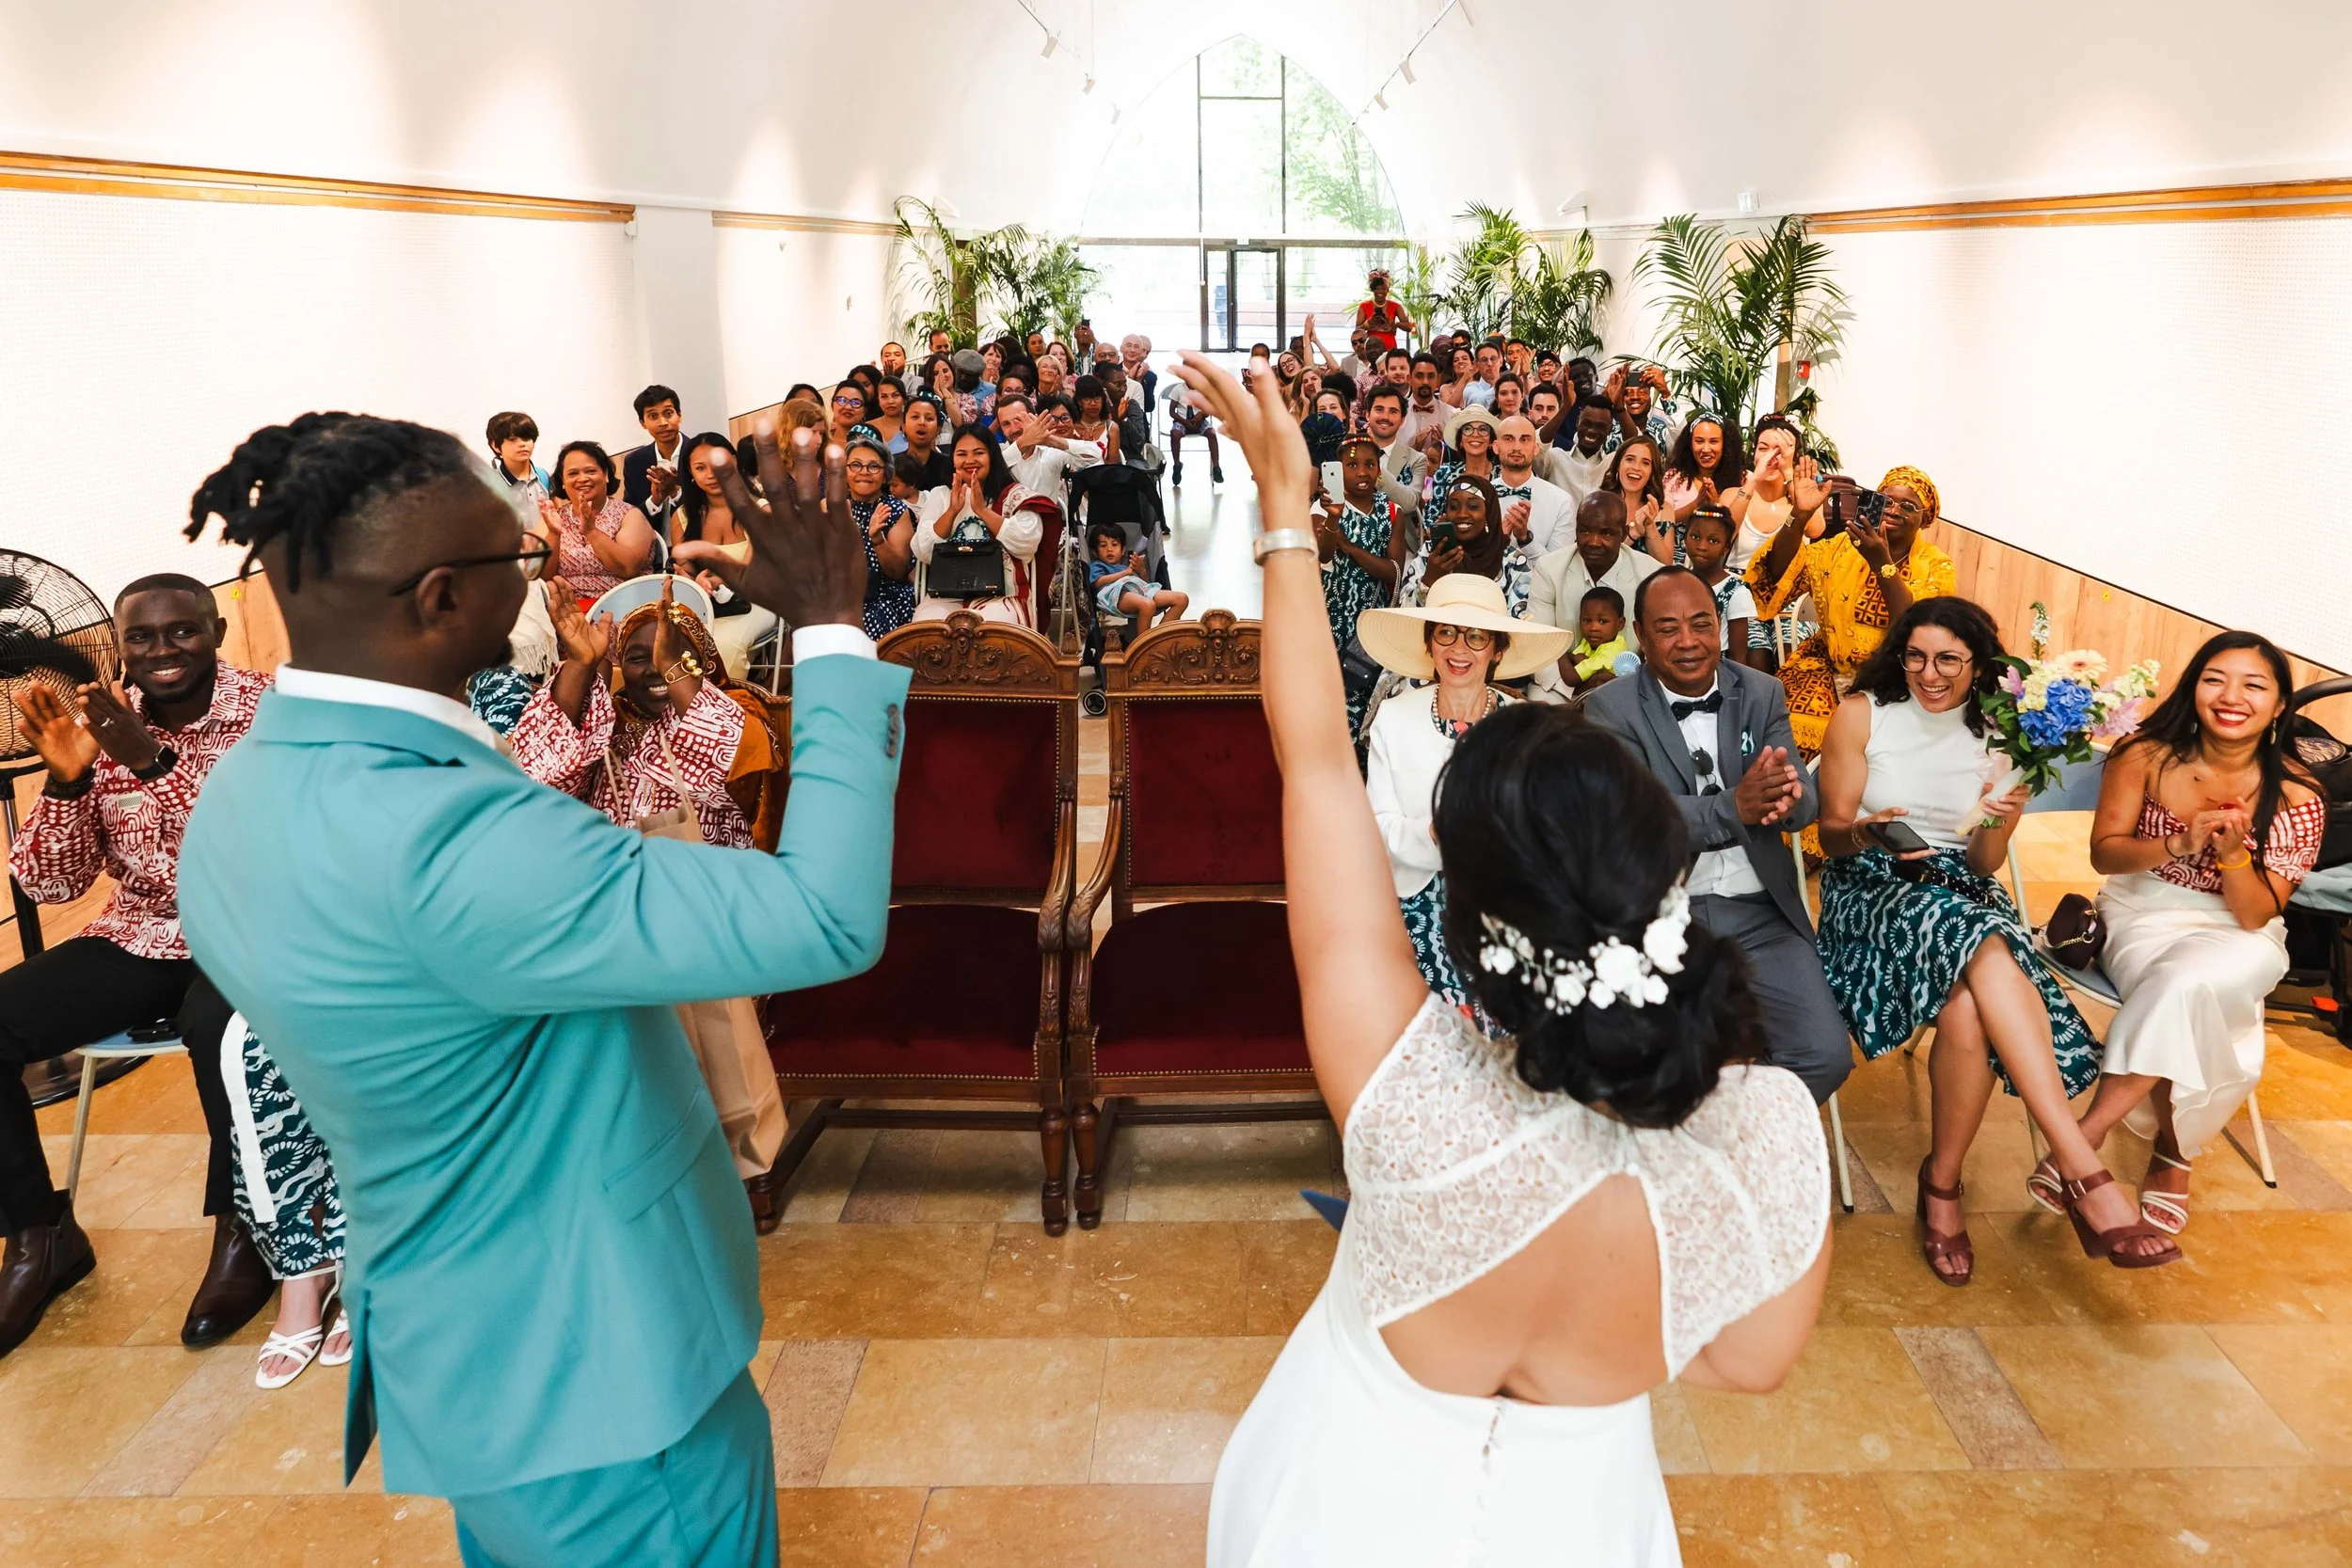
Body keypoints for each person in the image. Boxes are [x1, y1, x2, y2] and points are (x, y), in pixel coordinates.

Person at [179, 413, 906, 1565]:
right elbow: (823, 915)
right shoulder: (452, 835)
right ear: (439, 597)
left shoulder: (235, 797)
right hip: (603, 1374)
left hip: (457, 1351)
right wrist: (828, 628)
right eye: (518, 557)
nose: (539, 576)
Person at [1176, 353, 1830, 1567]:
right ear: (1662, 880)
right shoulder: (1772, 1124)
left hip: (1338, 1503)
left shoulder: (1403, 1091)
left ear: (1477, 932)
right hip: (1581, 1521)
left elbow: (1311, 758)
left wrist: (1284, 510)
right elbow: (1751, 1359)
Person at [1814, 598, 2162, 1279]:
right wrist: (1866, 830)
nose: (1929, 674)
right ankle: (2078, 1163)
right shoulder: (1863, 713)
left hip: (1962, 889)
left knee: (1969, 1004)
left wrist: (2003, 816)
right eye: (1916, 656)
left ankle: (1942, 1181)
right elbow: (1830, 836)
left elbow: (1981, 864)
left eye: (1949, 660)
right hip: (1874, 885)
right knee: (1980, 939)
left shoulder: (2003, 733)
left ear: (1979, 665)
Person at [0, 577, 274, 1359]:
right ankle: (39, 1236)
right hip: (142, 932)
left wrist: (151, 762)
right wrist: (68, 778)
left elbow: (255, 857)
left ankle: (245, 1228)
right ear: (119, 646)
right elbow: (51, 884)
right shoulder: (99, 719)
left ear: (218, 629)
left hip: (256, 929)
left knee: (217, 1027)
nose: (161, 651)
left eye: (182, 631)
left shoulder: (274, 713)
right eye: (141, 638)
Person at [2064, 631, 2329, 1240]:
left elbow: (2254, 916)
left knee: (2186, 983)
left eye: (2253, 685)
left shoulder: (2299, 792)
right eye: (2215, 679)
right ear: (2194, 687)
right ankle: (2172, 1155)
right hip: (2142, 911)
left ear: (2280, 705)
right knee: (2187, 987)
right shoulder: (2143, 754)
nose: (2231, 696)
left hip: (2239, 930)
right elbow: (2106, 855)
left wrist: (2234, 856)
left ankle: (2083, 1138)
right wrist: (2179, 842)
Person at [1584, 568, 1854, 1102]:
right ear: (1641, 636)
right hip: (1659, 916)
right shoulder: (1610, 708)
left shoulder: (1760, 691)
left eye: (1701, 623)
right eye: (1668, 628)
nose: (1688, 641)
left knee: (1824, 1056)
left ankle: (1734, 1136)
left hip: (1761, 914)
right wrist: (1735, 807)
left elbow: (1803, 799)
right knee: (1646, 1062)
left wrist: (1790, 799)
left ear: (1719, 624)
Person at [1359, 574, 1568, 1009]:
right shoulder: (1393, 719)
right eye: (1446, 633)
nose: (1459, 649)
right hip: (1413, 900)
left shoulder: (1523, 723)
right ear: (1429, 643)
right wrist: (1435, 833)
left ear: (1497, 651)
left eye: (1476, 637)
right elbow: (1379, 828)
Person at [512, 579, 787, 852]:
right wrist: (581, 664)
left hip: (699, 872)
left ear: (704, 660)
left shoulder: (738, 708)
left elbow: (741, 776)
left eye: (675, 654)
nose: (657, 668)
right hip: (611, 869)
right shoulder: (608, 719)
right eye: (638, 658)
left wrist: (673, 668)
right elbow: (537, 782)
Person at [1747, 465, 1957, 757]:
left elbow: (1915, 629)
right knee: (1791, 737)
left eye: (1908, 506)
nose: (1893, 510)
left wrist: (1880, 563)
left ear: (1925, 519)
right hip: (1825, 666)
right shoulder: (1840, 548)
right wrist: (1800, 516)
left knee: (1880, 754)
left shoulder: (1937, 566)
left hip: (1893, 679)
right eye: (1886, 500)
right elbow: (1777, 573)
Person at [1525, 491, 1661, 703]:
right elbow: (1538, 643)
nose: (1594, 542)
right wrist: (1582, 687)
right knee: (1540, 714)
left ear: (1624, 534)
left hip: (1630, 687)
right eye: (1585, 531)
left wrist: (1623, 685)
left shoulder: (1651, 575)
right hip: (1559, 686)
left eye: (1606, 533)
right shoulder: (1549, 569)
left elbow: (1658, 647)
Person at [911, 425, 1051, 626]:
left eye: (978, 453)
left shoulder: (1015, 495)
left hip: (1003, 595)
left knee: (988, 628)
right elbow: (923, 551)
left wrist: (982, 511)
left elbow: (1026, 544)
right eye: (961, 454)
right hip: (946, 593)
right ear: (953, 460)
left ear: (992, 456)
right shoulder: (940, 495)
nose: (970, 460)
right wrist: (952, 511)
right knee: (929, 626)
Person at [1314, 434, 1408, 735]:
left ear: (1379, 470)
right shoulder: (1322, 510)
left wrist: (1352, 549)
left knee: (1366, 697)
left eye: (1370, 464)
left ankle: (1364, 757)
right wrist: (1333, 518)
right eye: (1352, 465)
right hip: (1332, 619)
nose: (1362, 472)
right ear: (1338, 470)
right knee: (1330, 699)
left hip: (1372, 625)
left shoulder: (1392, 512)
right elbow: (1323, 555)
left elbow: (1394, 573)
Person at [673, 432, 779, 680]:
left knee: (723, 645)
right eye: (700, 468)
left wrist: (714, 581)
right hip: (705, 605)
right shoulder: (683, 517)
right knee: (674, 645)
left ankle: (731, 703)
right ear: (690, 473)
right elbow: (686, 571)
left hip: (757, 600)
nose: (711, 474)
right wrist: (692, 581)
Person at [536, 440, 657, 599]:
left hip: (624, 604)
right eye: (573, 474)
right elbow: (542, 578)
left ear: (605, 475)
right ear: (563, 482)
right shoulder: (555, 518)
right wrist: (554, 534)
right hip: (570, 608)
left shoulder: (629, 514)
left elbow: (629, 568)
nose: (582, 478)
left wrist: (592, 532)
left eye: (590, 471)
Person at [1400, 474, 1532, 617]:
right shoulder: (1431, 553)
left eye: (1473, 506)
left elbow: (1519, 622)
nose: (1462, 514)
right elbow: (1403, 614)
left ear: (1488, 512)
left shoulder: (1513, 562)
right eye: (1454, 507)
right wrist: (1429, 579)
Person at [845, 434, 918, 640]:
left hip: (883, 598)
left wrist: (877, 539)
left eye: (873, 466)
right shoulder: (832, 507)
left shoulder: (895, 509)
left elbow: (897, 571)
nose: (864, 472)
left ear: (886, 475)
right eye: (856, 465)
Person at [1491, 414, 1577, 558]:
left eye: (1525, 439)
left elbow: (1558, 567)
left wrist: (1525, 539)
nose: (1517, 447)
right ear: (1495, 446)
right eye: (1508, 439)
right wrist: (1498, 541)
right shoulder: (1479, 498)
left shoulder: (1562, 502)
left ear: (1536, 448)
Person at [1681, 507, 1756, 663]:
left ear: (1726, 548)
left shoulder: (1736, 591)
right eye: (1695, 537)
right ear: (1685, 538)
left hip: (1717, 669)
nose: (1702, 546)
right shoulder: (1676, 582)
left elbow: (1738, 657)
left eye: (1713, 541)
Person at [1087, 524, 1187, 628]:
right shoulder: (1098, 565)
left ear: (1123, 550)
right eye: (1103, 546)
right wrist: (1125, 573)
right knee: (1148, 605)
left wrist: (1141, 570)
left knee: (1181, 599)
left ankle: (1159, 635)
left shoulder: (1127, 566)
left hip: (1138, 592)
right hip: (1112, 596)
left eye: (1114, 544)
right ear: (1095, 552)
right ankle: (1144, 640)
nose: (1109, 549)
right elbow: (1097, 582)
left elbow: (1144, 585)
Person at [621, 384, 687, 528]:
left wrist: (676, 494)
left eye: (668, 413)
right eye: (653, 416)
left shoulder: (698, 453)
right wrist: (654, 501)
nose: (663, 423)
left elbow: (713, 507)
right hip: (653, 540)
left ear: (679, 415)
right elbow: (629, 517)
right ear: (643, 423)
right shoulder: (634, 462)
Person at [1605, 436, 1675, 565]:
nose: (1636, 467)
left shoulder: (1664, 509)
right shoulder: (1600, 504)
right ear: (1618, 464)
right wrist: (1634, 533)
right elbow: (1600, 559)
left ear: (1652, 472)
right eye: (1630, 459)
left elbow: (1666, 565)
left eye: (1645, 463)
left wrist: (1650, 527)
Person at [1550, 395, 1617, 506]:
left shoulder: (1612, 464)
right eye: (1587, 423)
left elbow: (1636, 446)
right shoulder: (1554, 459)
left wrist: (1620, 410)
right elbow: (1539, 446)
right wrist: (1565, 408)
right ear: (1577, 422)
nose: (1592, 430)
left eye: (1600, 426)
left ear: (1610, 430)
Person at [1569, 584, 1629, 695]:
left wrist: (1560, 655)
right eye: (1587, 620)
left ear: (1620, 624)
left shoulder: (1614, 649)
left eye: (1602, 621)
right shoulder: (1589, 641)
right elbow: (1574, 660)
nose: (1593, 627)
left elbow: (1571, 678)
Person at [1165, 376, 1222, 487]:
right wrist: (1184, 421)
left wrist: (1201, 415)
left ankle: (1216, 467)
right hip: (1182, 421)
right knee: (1175, 434)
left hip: (1200, 421)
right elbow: (1172, 412)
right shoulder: (1178, 389)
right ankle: (1177, 465)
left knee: (1211, 433)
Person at [485, 411, 549, 503]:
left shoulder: (542, 476)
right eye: (512, 440)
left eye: (526, 438)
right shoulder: (491, 485)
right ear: (495, 446)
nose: (522, 444)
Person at [898, 390, 952, 492]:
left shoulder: (949, 466)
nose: (922, 422)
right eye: (915, 417)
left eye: (929, 418)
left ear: (938, 429)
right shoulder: (892, 465)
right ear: (903, 426)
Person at [1355, 267, 1413, 353]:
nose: (1380, 291)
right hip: (1371, 348)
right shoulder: (1364, 306)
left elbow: (1409, 327)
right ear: (1373, 289)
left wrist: (1395, 324)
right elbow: (1357, 331)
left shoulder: (1396, 306)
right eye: (1377, 289)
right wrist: (1368, 323)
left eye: (1383, 289)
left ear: (1387, 290)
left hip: (1390, 348)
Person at [869, 376, 907, 451]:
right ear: (878, 400)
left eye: (895, 395)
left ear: (904, 399)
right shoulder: (869, 429)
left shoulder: (915, 425)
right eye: (884, 396)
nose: (890, 401)